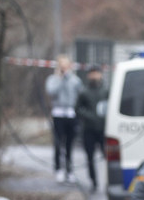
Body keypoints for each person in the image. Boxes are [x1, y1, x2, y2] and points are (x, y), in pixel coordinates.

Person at [45, 55, 84, 183]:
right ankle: (58, 169)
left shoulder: (75, 80)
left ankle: (69, 170)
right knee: (58, 143)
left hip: (71, 114)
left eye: (66, 65)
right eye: (62, 66)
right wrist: (61, 79)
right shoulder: (53, 79)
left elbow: (80, 94)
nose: (64, 68)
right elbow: (51, 92)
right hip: (58, 113)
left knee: (69, 144)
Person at [76, 64, 109, 192]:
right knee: (89, 157)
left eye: (96, 73)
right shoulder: (84, 91)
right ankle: (93, 182)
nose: (94, 75)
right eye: (92, 73)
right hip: (88, 129)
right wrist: (89, 116)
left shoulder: (106, 90)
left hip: (103, 129)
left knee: (107, 157)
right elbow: (78, 108)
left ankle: (108, 182)